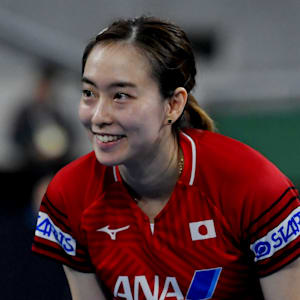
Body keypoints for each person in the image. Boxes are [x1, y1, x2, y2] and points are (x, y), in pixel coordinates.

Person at [32, 16, 300, 300]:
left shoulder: (254, 186)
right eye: (89, 93)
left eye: (121, 96)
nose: (98, 116)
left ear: (173, 104)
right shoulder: (70, 195)